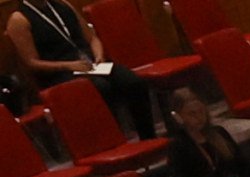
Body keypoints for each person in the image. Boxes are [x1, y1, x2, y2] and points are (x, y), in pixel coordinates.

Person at [5, 0, 150, 130]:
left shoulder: (63, 5)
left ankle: (147, 136)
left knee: (132, 81)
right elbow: (32, 63)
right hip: (59, 72)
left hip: (89, 64)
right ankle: (114, 139)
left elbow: (92, 38)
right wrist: (69, 66)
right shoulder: (19, 19)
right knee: (100, 87)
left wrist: (98, 55)